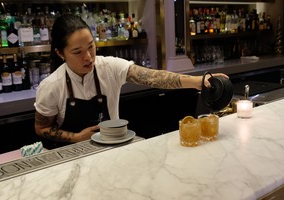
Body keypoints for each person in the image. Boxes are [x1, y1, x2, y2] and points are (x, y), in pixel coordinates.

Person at [34, 14, 228, 149]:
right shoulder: (52, 86)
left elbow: (153, 77)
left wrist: (198, 81)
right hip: (71, 158)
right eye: (77, 52)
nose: (88, 57)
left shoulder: (108, 67)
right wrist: (77, 137)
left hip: (112, 150)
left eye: (91, 47)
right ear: (60, 53)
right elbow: (42, 128)